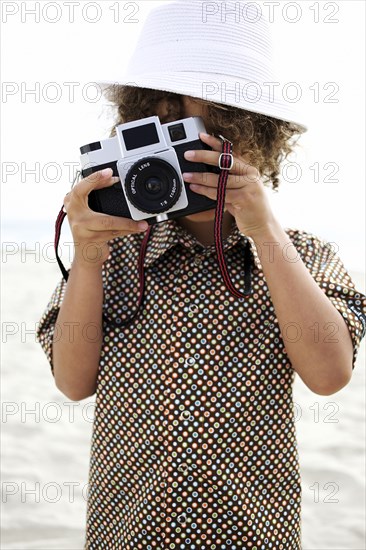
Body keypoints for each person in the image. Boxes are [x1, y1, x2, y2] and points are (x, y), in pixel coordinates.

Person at [36, 2, 366, 548]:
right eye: (155, 116)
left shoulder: (299, 256)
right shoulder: (114, 253)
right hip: (127, 534)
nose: (171, 136)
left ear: (247, 130)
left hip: (254, 534)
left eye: (192, 123)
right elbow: (73, 384)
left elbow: (330, 375)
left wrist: (264, 231)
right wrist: (87, 254)